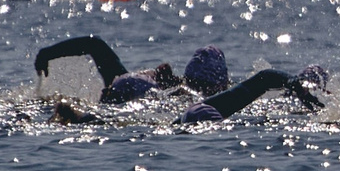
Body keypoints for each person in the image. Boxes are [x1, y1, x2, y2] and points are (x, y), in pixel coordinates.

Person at [32, 38, 323, 123]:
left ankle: (85, 117)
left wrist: (48, 52)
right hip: (144, 106)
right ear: (220, 84)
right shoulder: (205, 100)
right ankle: (85, 119)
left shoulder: (162, 82)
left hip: (126, 91)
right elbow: (265, 78)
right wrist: (301, 90)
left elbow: (95, 45)